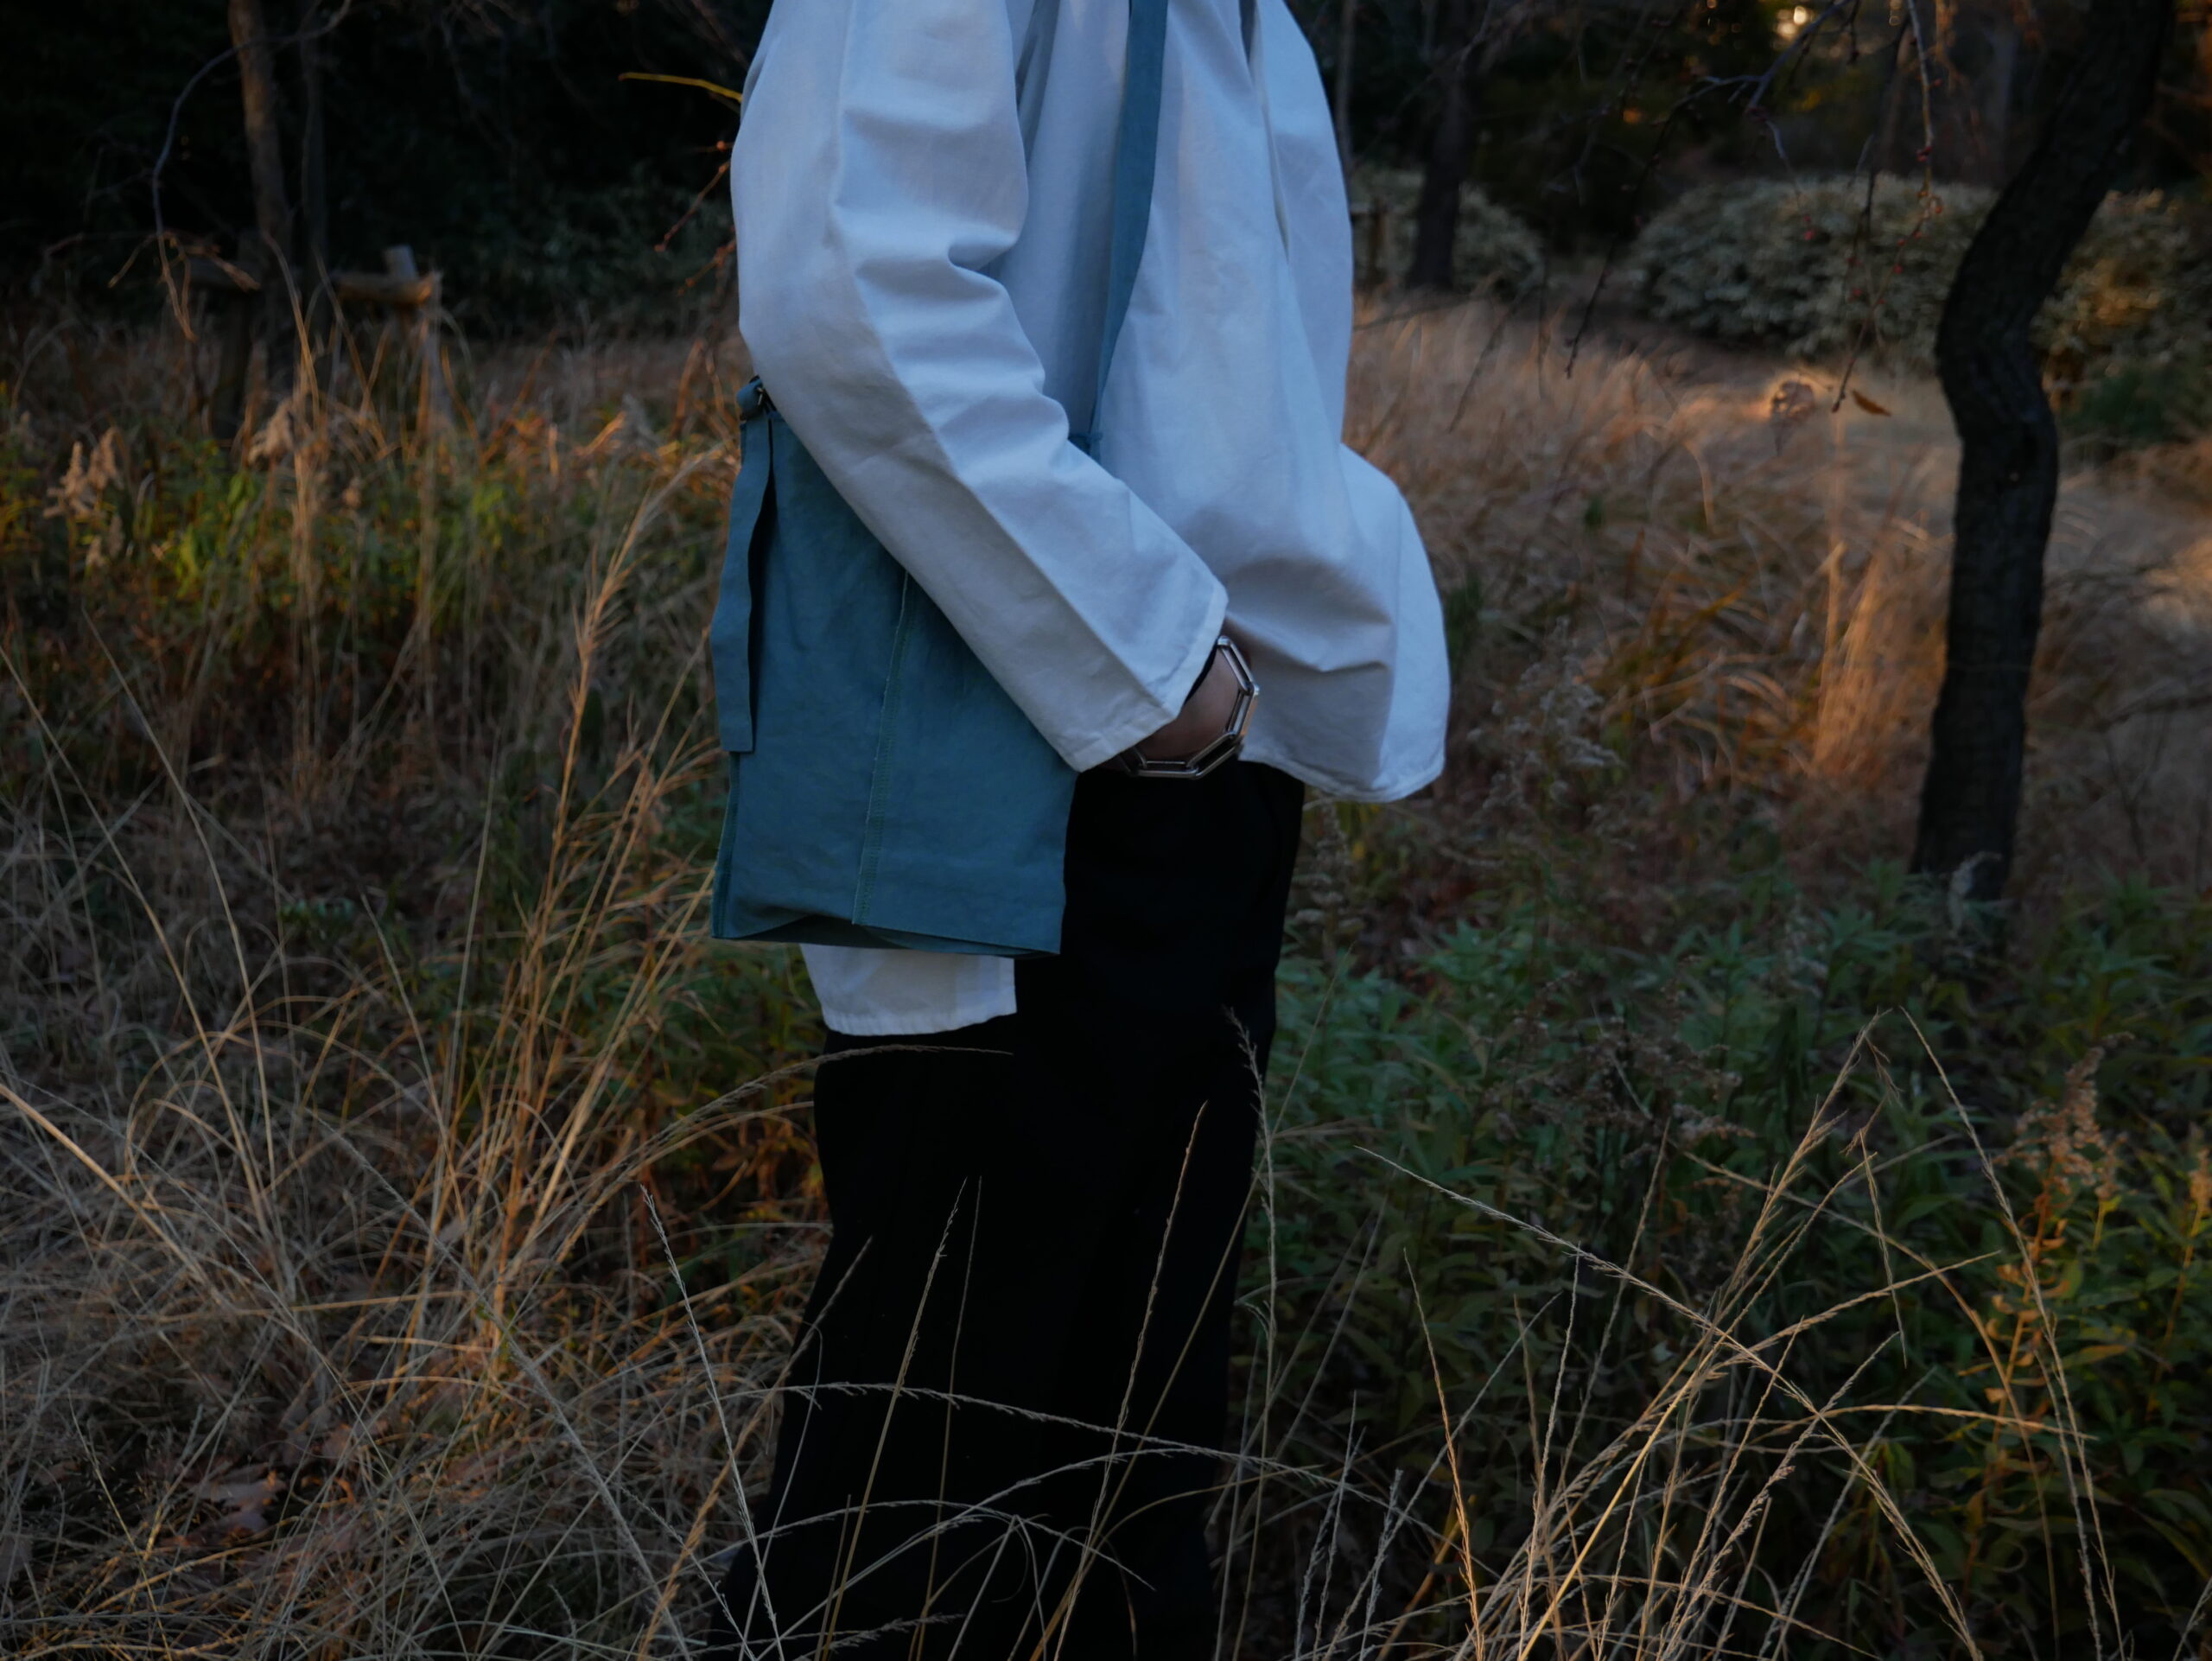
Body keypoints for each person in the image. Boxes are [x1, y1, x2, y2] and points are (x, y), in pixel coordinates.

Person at [705, 1, 1448, 1656]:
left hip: (1174, 747)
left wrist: (1208, 695)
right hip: (1035, 766)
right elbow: (848, 280)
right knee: (927, 1482)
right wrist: (1154, 664)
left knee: (1125, 1466)